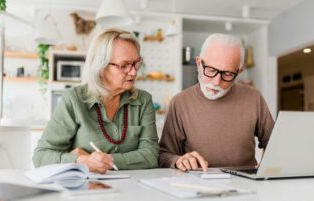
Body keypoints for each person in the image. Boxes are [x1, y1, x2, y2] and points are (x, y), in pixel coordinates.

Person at [33, 29, 159, 173]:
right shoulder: (74, 99)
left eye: (136, 63)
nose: (133, 72)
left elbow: (151, 156)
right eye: (124, 66)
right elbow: (41, 157)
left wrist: (104, 161)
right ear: (101, 66)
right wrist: (80, 161)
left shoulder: (143, 100)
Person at [159, 33, 274, 172]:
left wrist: (265, 172)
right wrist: (178, 161)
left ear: (239, 71)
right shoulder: (179, 102)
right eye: (211, 70)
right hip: (196, 183)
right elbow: (164, 155)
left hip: (246, 182)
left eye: (227, 74)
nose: (216, 82)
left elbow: (273, 142)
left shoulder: (254, 97)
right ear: (198, 63)